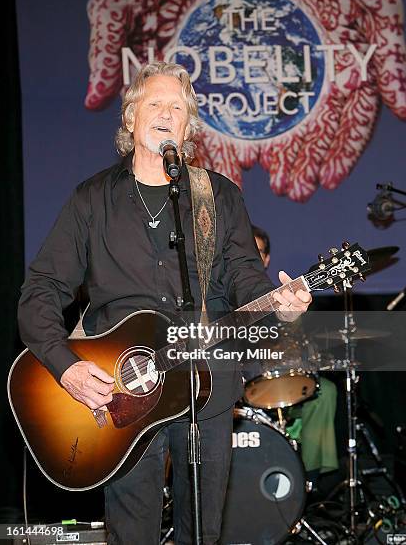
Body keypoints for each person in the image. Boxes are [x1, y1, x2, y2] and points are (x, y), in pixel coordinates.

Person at [17, 62, 312, 545]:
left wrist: (279, 306)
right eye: (154, 103)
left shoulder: (217, 196)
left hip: (206, 384)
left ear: (188, 127)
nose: (165, 113)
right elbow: (41, 291)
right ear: (131, 118)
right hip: (121, 390)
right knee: (131, 532)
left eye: (177, 107)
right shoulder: (92, 201)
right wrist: (65, 365)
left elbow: (245, 283)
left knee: (203, 531)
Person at [251, 225, 339, 482]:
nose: (251, 257)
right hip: (239, 384)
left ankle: (310, 481)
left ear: (266, 259)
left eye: (257, 251)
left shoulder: (284, 296)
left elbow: (302, 345)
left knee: (326, 393)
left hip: (282, 379)